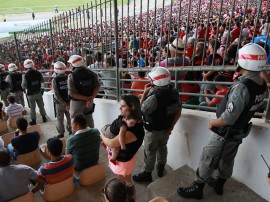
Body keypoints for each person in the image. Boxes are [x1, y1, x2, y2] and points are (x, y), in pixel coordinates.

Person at [177, 43, 268, 199]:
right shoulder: (262, 84)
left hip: (225, 131)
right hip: (239, 130)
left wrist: (213, 123)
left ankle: (198, 188)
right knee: (227, 159)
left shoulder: (242, 87)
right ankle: (219, 183)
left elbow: (228, 117)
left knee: (208, 157)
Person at [132, 67, 182, 182]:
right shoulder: (174, 92)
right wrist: (172, 126)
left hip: (153, 131)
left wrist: (144, 94)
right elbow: (178, 111)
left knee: (149, 151)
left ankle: (147, 173)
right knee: (162, 147)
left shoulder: (155, 97)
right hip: (167, 129)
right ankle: (161, 167)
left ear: (155, 81)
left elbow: (141, 110)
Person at [101, 94, 145, 183]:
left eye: (123, 106)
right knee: (120, 180)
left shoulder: (132, 130)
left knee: (126, 184)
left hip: (123, 162)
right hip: (121, 158)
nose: (120, 109)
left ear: (132, 107)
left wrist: (101, 135)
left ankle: (129, 196)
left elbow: (111, 143)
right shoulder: (128, 117)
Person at [67, 55, 100, 128]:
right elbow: (97, 86)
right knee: (89, 119)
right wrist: (90, 98)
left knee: (75, 122)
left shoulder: (72, 76)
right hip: (89, 102)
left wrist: (86, 98)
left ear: (73, 64)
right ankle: (93, 135)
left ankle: (76, 138)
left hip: (77, 103)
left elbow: (72, 94)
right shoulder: (92, 73)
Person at [22, 59, 47, 125]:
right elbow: (42, 81)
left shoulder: (26, 75)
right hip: (38, 92)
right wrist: (42, 89)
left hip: (31, 94)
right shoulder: (38, 73)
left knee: (32, 108)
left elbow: (23, 85)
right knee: (41, 106)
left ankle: (34, 120)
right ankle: (44, 117)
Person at [52, 61, 72, 138]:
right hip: (69, 102)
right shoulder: (69, 77)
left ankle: (61, 133)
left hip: (60, 104)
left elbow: (56, 94)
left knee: (60, 119)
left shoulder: (55, 80)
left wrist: (64, 103)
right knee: (70, 118)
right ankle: (71, 130)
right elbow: (71, 91)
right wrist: (68, 103)